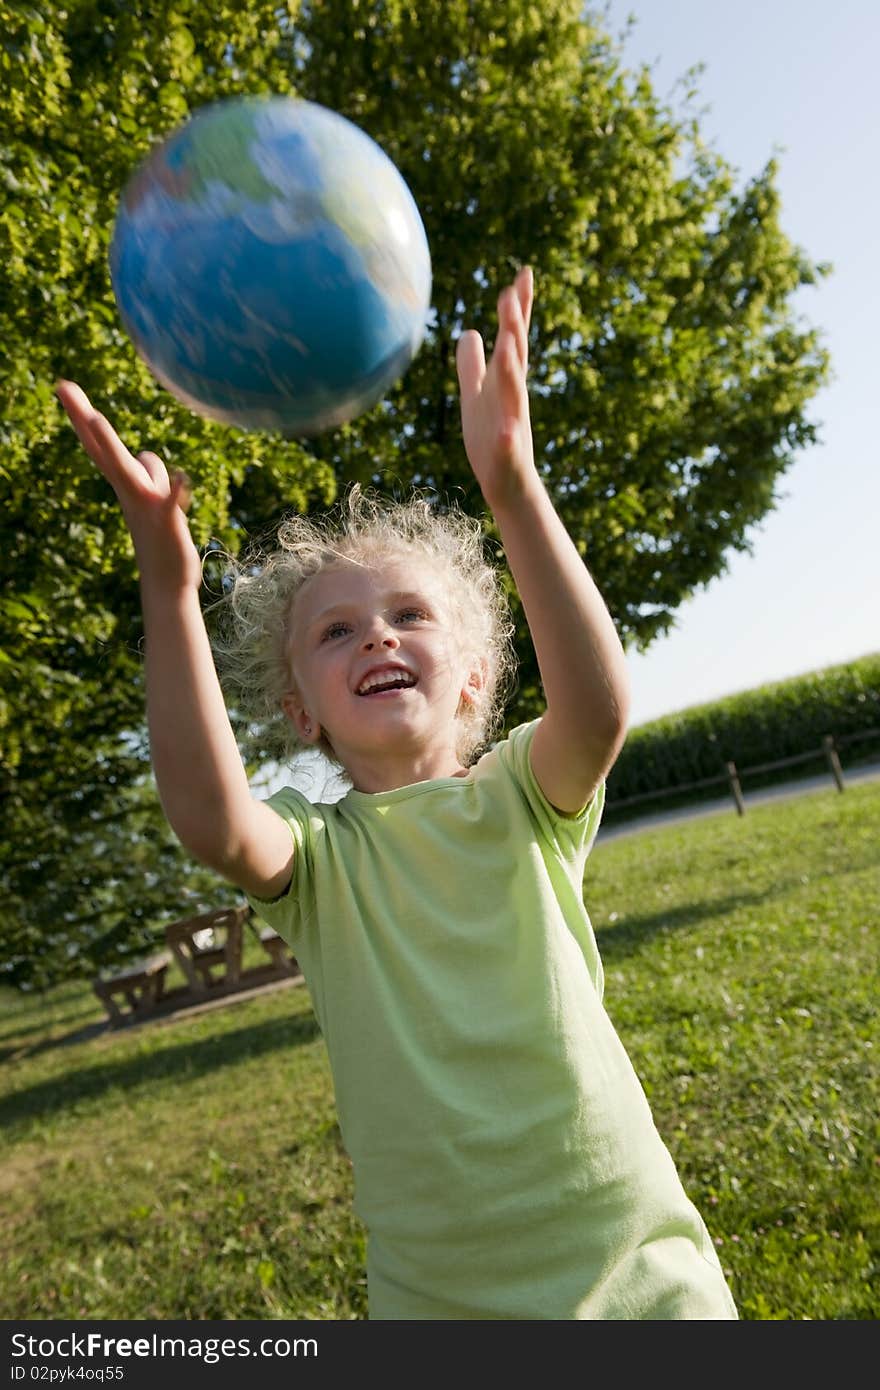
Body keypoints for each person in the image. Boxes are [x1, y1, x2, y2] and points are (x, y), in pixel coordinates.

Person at [57, 266, 738, 1320]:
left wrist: (512, 489)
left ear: (471, 675)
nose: (376, 633)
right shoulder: (319, 858)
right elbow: (209, 818)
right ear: (301, 713)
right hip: (442, 1300)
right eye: (335, 631)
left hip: (637, 1271)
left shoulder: (521, 795)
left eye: (408, 615)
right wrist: (168, 587)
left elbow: (596, 714)